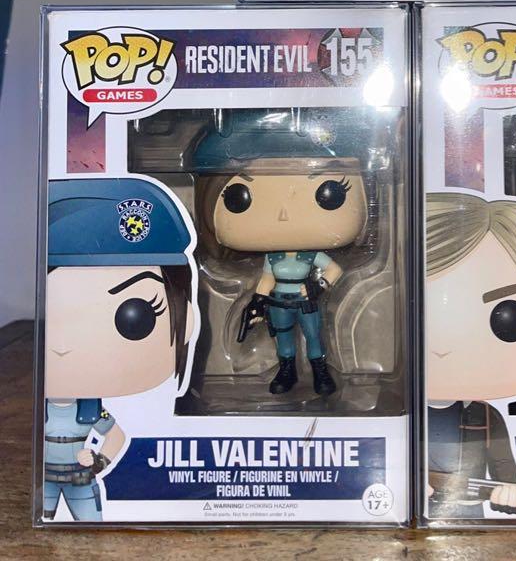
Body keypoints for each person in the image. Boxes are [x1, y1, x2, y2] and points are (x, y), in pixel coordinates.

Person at [44, 177, 195, 522]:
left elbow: (115, 437)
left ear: (186, 321)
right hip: (43, 480)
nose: (64, 346)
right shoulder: (39, 408)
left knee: (88, 522)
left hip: (81, 480)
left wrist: (98, 462)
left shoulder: (92, 410)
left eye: (134, 317)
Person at [192, 110, 369, 397]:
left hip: (305, 301)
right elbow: (266, 279)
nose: (284, 215)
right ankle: (287, 370)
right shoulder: (272, 258)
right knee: (284, 341)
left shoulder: (310, 257)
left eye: (329, 192)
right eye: (238, 197)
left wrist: (318, 286)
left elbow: (334, 270)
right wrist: (258, 301)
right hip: (278, 302)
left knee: (313, 338)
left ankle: (320, 371)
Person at [425, 191, 516, 518]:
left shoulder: (487, 418)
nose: (443, 345)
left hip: (468, 516)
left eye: (508, 320)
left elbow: (508, 475)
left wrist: (510, 494)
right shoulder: (399, 412)